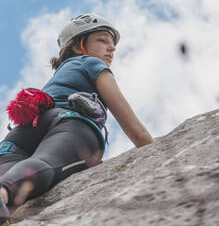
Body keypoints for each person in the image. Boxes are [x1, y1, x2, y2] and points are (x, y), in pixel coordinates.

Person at [0, 13, 153, 225]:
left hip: (23, 131)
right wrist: (156, 151)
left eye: (113, 45)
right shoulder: (91, 63)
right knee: (46, 162)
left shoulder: (59, 75)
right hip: (69, 122)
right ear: (79, 45)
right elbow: (135, 130)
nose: (112, 49)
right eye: (102, 40)